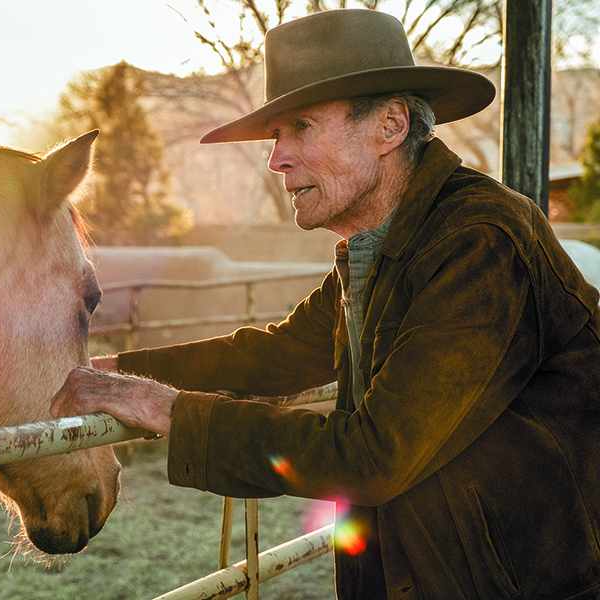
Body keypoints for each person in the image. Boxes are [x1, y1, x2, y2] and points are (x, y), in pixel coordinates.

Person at [50, 9, 600, 600]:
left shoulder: (480, 243)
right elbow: (281, 353)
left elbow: (375, 455)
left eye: (301, 127)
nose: (276, 158)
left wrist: (164, 408)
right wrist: (111, 374)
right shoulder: (388, 245)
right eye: (276, 135)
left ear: (390, 125)